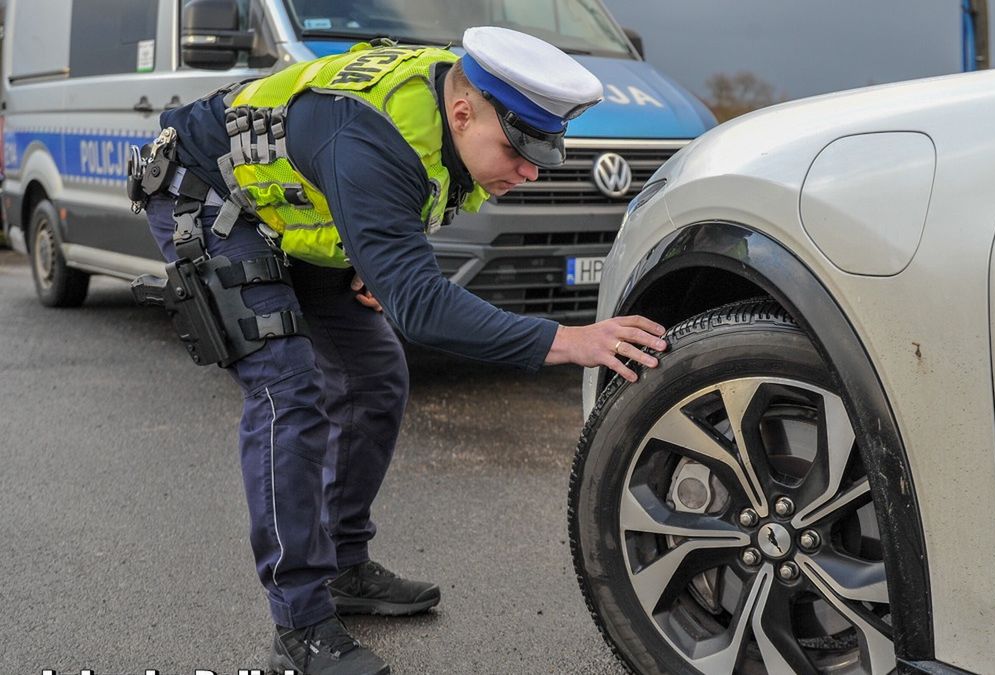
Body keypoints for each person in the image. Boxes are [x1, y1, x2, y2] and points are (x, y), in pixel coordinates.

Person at [135, 27, 667, 675]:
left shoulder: (450, 96)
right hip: (209, 196)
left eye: (543, 154)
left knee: (376, 374)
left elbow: (404, 215)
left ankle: (344, 566)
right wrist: (567, 340)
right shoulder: (371, 143)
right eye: (518, 149)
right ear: (464, 111)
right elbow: (421, 307)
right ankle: (299, 628)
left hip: (289, 201)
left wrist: (377, 252)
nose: (529, 172)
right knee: (288, 389)